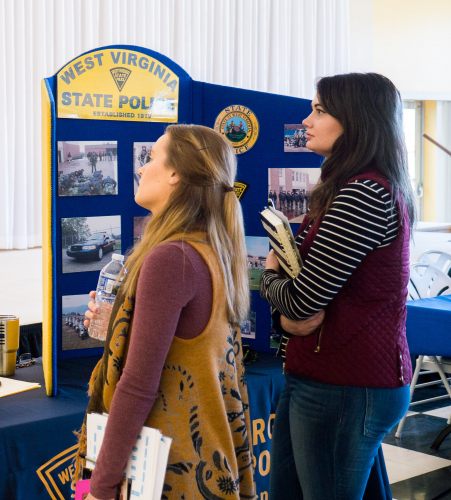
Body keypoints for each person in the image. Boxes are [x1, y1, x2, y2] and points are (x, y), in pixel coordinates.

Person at [76, 124, 256, 500]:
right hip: (206, 462)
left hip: (166, 471)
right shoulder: (210, 248)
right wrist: (119, 329)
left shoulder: (172, 257)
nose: (142, 168)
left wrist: (100, 487)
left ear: (175, 173)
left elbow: (137, 386)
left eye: (151, 157)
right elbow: (187, 348)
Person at [259, 73, 415, 499]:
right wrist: (285, 310)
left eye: (320, 110)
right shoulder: (348, 186)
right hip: (325, 376)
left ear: (356, 120)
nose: (306, 121)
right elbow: (301, 306)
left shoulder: (363, 193)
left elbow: (301, 302)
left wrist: (268, 276)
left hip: (346, 385)